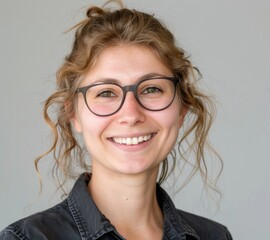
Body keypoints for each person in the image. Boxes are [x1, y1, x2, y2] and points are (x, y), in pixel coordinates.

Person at [0, 1, 232, 239]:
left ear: (182, 108)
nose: (131, 115)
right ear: (73, 114)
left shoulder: (214, 236)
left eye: (151, 89)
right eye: (106, 93)